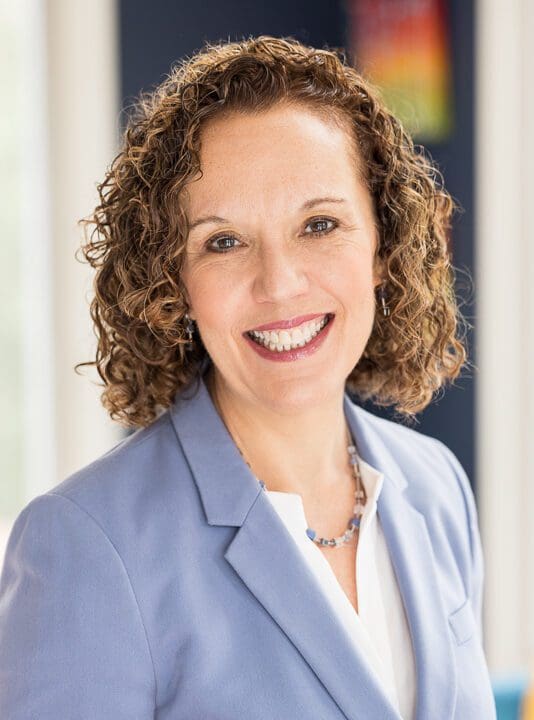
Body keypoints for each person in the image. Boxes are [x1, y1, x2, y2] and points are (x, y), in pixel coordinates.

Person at [0, 35, 496, 719]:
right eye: (224, 242)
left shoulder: (436, 489)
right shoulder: (85, 546)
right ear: (173, 281)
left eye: (319, 224)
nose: (279, 284)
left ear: (382, 245)